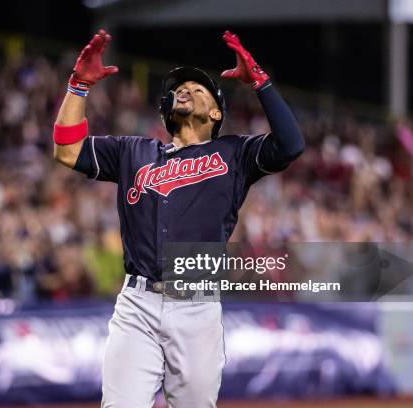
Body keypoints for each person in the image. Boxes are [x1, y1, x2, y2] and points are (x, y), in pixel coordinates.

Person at [52, 29, 305, 407]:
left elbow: (291, 144)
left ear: (217, 112)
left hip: (196, 305)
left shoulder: (233, 154)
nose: (186, 89)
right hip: (137, 304)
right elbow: (67, 150)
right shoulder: (133, 152)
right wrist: (78, 85)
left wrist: (260, 82)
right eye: (180, 88)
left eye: (198, 88)